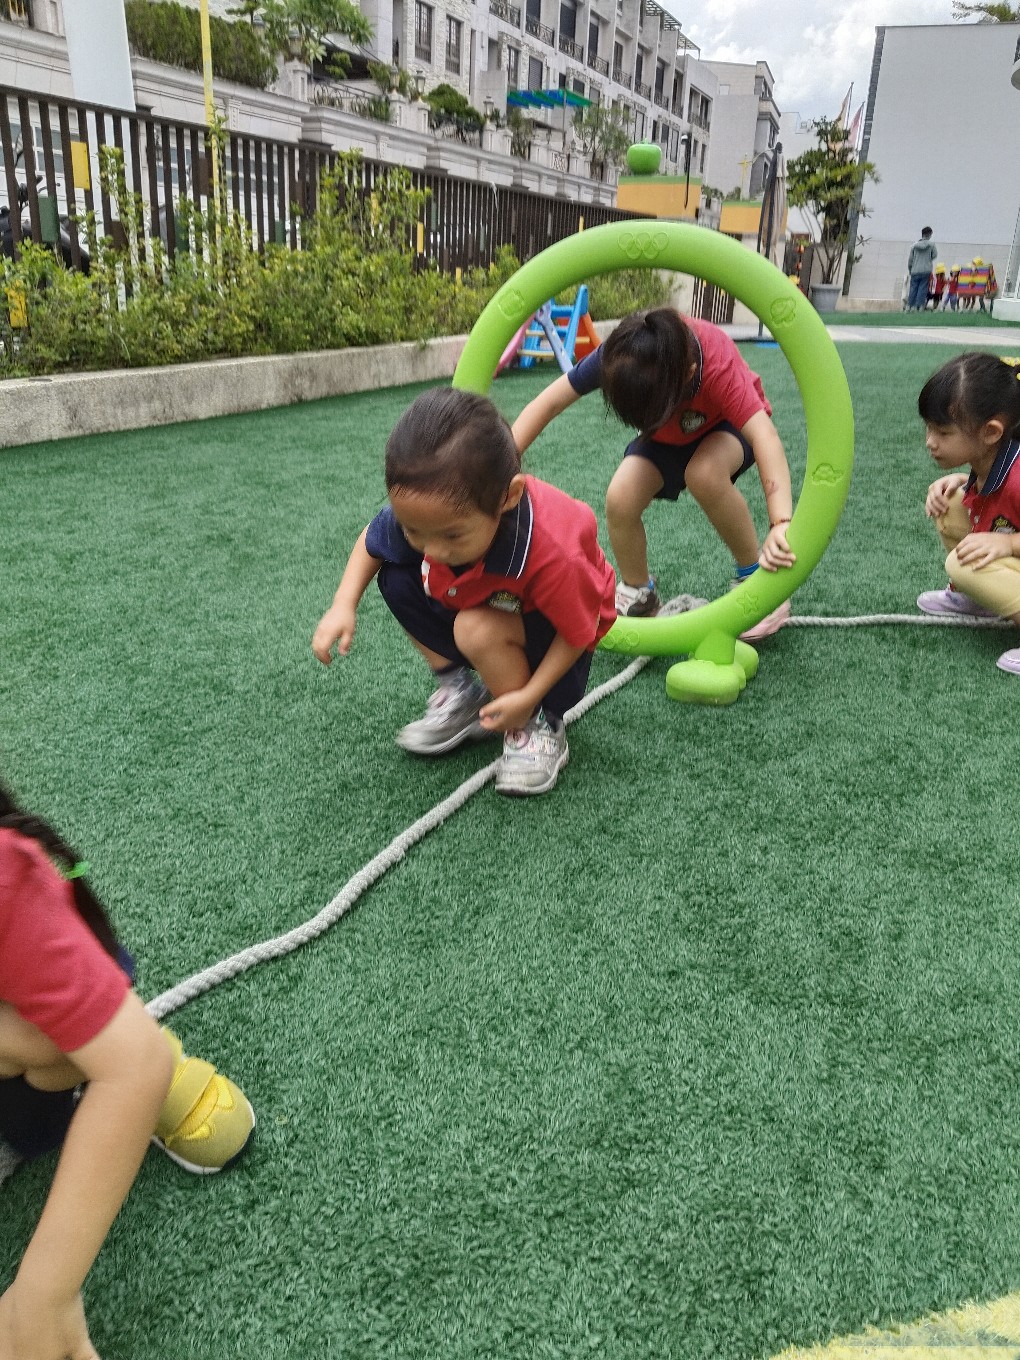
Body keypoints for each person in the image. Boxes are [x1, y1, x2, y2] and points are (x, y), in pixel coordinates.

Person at [0, 779, 255, 1360]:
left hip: (47, 1016)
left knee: (74, 1068)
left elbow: (134, 1065)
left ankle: (102, 1037)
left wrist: (40, 1301)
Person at [312, 387, 617, 796]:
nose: (433, 550)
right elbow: (372, 540)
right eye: (414, 531)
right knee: (396, 576)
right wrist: (343, 604)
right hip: (487, 597)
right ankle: (462, 692)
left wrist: (530, 695)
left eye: (453, 535)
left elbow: (579, 630)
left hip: (559, 628)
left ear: (508, 497)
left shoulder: (553, 552)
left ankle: (537, 725)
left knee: (476, 629)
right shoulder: (432, 513)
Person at [510, 307, 796, 637]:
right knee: (621, 496)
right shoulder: (621, 355)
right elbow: (549, 402)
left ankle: (754, 578)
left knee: (704, 473)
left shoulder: (715, 361)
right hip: (665, 432)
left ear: (688, 374)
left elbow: (764, 436)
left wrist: (780, 521)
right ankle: (639, 592)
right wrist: (504, 463)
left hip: (727, 427)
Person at [915, 352, 1020, 676]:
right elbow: (995, 496)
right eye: (929, 429)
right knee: (950, 506)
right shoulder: (993, 458)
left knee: (961, 563)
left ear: (991, 432)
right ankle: (978, 601)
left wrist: (1009, 544)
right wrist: (963, 481)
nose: (930, 442)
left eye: (943, 432)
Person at [906, 227, 938, 311]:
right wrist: (928, 259)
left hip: (915, 270)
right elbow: (934, 255)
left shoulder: (914, 246)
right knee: (922, 288)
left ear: (922, 234)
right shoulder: (932, 245)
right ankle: (919, 306)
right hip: (926, 270)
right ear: (929, 234)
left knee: (913, 288)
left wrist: (910, 269)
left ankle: (909, 306)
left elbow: (910, 260)